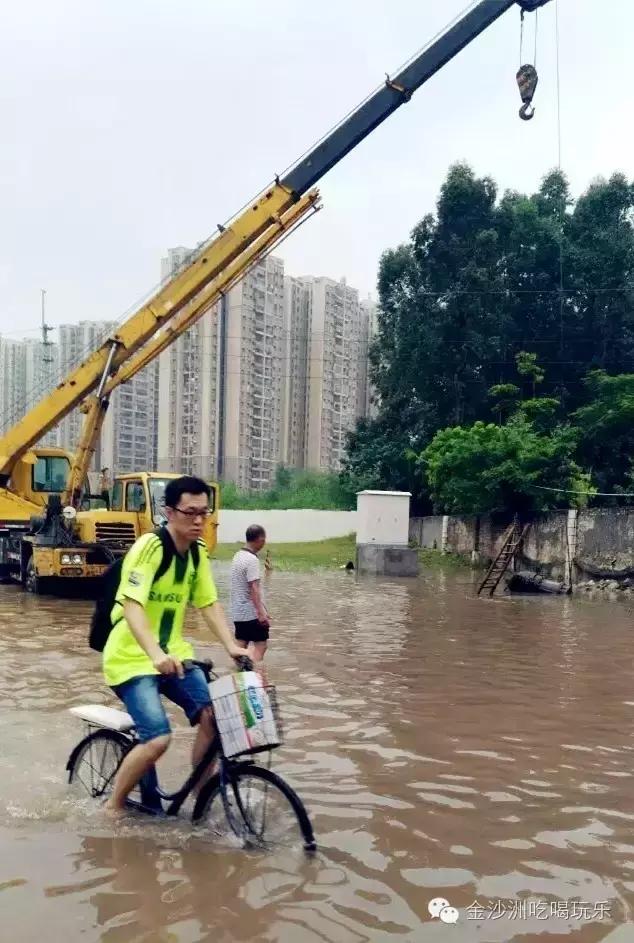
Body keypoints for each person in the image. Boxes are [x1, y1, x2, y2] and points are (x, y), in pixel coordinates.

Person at [102, 475, 248, 814]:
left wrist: (232, 647)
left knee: (214, 717)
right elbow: (133, 605)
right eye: (190, 512)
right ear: (169, 512)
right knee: (157, 737)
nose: (199, 520)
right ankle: (113, 807)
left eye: (204, 513)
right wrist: (154, 654)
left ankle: (201, 800)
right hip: (130, 658)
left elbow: (208, 603)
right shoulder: (149, 548)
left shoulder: (197, 553)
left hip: (175, 656)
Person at [230, 524, 270, 663]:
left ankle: (239, 673)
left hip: (238, 613)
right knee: (261, 646)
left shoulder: (237, 556)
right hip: (251, 614)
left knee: (241, 645)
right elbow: (254, 588)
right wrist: (261, 613)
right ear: (260, 540)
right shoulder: (252, 560)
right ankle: (252, 673)